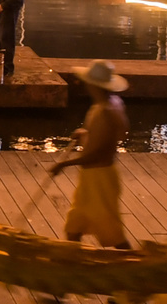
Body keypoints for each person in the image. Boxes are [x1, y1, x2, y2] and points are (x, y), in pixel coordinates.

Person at [51, 61, 132, 250]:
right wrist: (85, 133)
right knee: (74, 225)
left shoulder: (106, 112)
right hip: (91, 177)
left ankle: (133, 260)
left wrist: (63, 165)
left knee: (111, 229)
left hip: (100, 177)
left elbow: (98, 153)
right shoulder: (110, 103)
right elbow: (106, 136)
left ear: (95, 85)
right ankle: (72, 259)